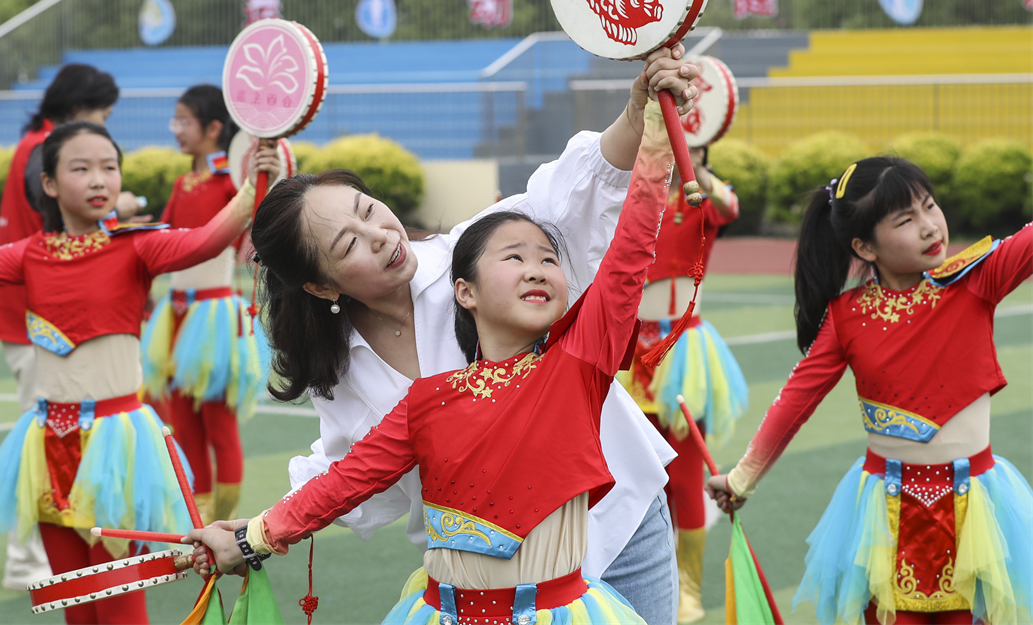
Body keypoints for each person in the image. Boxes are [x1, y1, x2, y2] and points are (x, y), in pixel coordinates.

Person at [215, 46, 699, 622]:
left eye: (369, 210)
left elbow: (578, 207)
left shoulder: (480, 257)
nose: (379, 236)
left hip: (613, 523)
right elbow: (352, 472)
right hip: (475, 584)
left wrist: (642, 124)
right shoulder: (376, 386)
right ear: (321, 289)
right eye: (347, 245)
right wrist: (253, 533)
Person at [0, 122, 282, 625]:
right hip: (47, 442)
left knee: (119, 604)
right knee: (76, 604)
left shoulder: (136, 246)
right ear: (49, 184)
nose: (99, 179)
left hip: (116, 449)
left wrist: (252, 188)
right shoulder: (32, 254)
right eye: (81, 168)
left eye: (109, 167)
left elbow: (205, 242)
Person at [707, 157, 1032, 625]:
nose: (929, 226)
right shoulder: (846, 316)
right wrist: (742, 478)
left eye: (929, 206)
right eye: (906, 219)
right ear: (864, 246)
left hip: (974, 511)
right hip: (886, 517)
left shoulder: (976, 279)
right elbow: (796, 400)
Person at [0, 64, 140, 590]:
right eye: (101, 114)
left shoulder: (36, 142)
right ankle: (26, 558)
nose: (102, 127)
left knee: (51, 438)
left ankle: (43, 551)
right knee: (46, 441)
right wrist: (124, 207)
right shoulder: (47, 147)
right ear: (79, 109)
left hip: (39, 315)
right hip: (45, 319)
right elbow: (66, 219)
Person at [141, 84, 295, 525]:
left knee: (218, 425)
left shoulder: (232, 182)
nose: (177, 130)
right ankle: (196, 517)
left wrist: (272, 167)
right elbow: (164, 240)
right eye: (175, 121)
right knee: (184, 423)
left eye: (183, 121)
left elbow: (265, 210)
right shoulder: (181, 182)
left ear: (212, 127)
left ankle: (221, 519)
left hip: (212, 317)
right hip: (175, 313)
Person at [615, 132, 749, 622]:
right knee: (631, 476)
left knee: (685, 478)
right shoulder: (634, 197)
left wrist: (688, 160)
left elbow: (729, 204)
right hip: (629, 354)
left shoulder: (700, 197)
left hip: (682, 357)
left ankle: (687, 591)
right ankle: (644, 579)